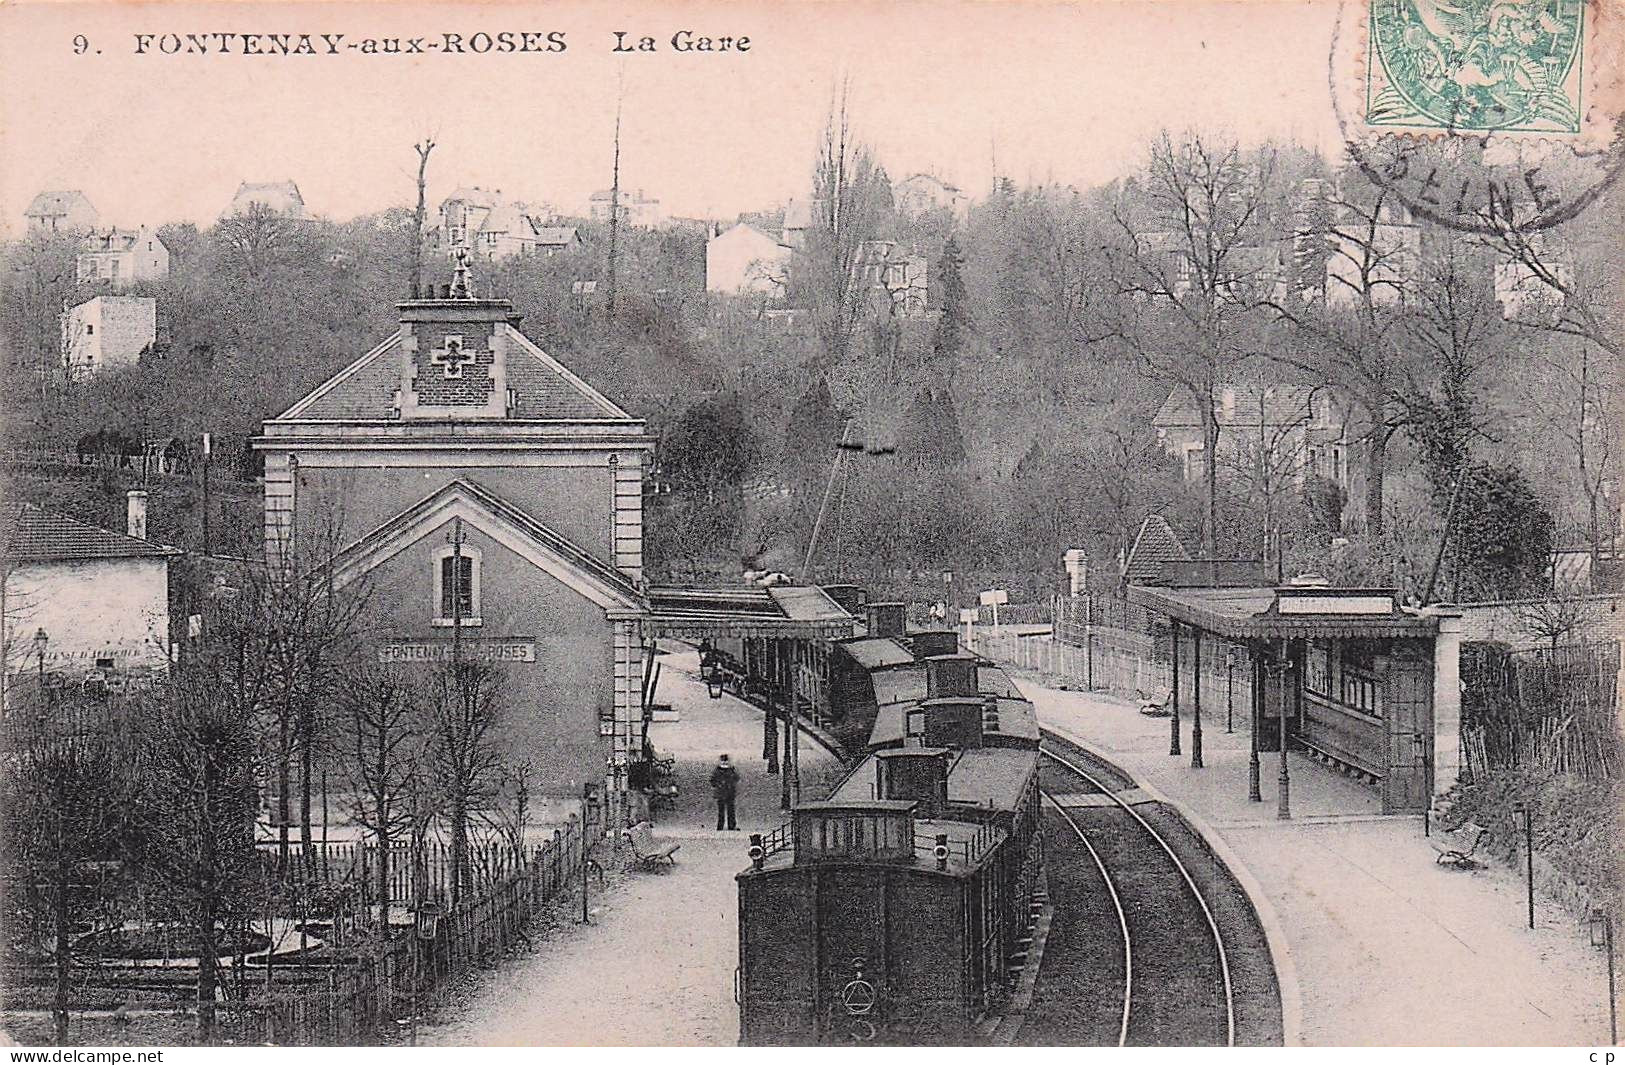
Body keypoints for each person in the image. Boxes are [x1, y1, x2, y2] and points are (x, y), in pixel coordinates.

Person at [710, 753, 740, 831]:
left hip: (721, 793)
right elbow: (736, 778)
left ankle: (721, 826)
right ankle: (731, 825)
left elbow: (712, 781)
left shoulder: (717, 771)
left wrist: (718, 786)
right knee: (730, 810)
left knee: (722, 811)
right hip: (729, 793)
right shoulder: (731, 770)